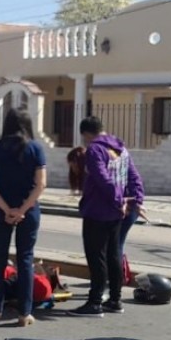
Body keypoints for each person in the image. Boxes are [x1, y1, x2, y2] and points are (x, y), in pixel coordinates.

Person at [69, 116, 143, 318]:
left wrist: (119, 199)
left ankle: (94, 303)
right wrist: (135, 200)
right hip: (116, 213)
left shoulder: (95, 150)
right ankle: (115, 300)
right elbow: (134, 176)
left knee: (96, 257)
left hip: (98, 210)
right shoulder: (120, 149)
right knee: (113, 254)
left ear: (85, 134)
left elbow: (103, 179)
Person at [0, 108, 46, 327]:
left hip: (0, 210)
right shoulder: (36, 148)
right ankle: (24, 313)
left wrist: (6, 209)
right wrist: (22, 210)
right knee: (25, 259)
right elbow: (41, 184)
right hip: (29, 211)